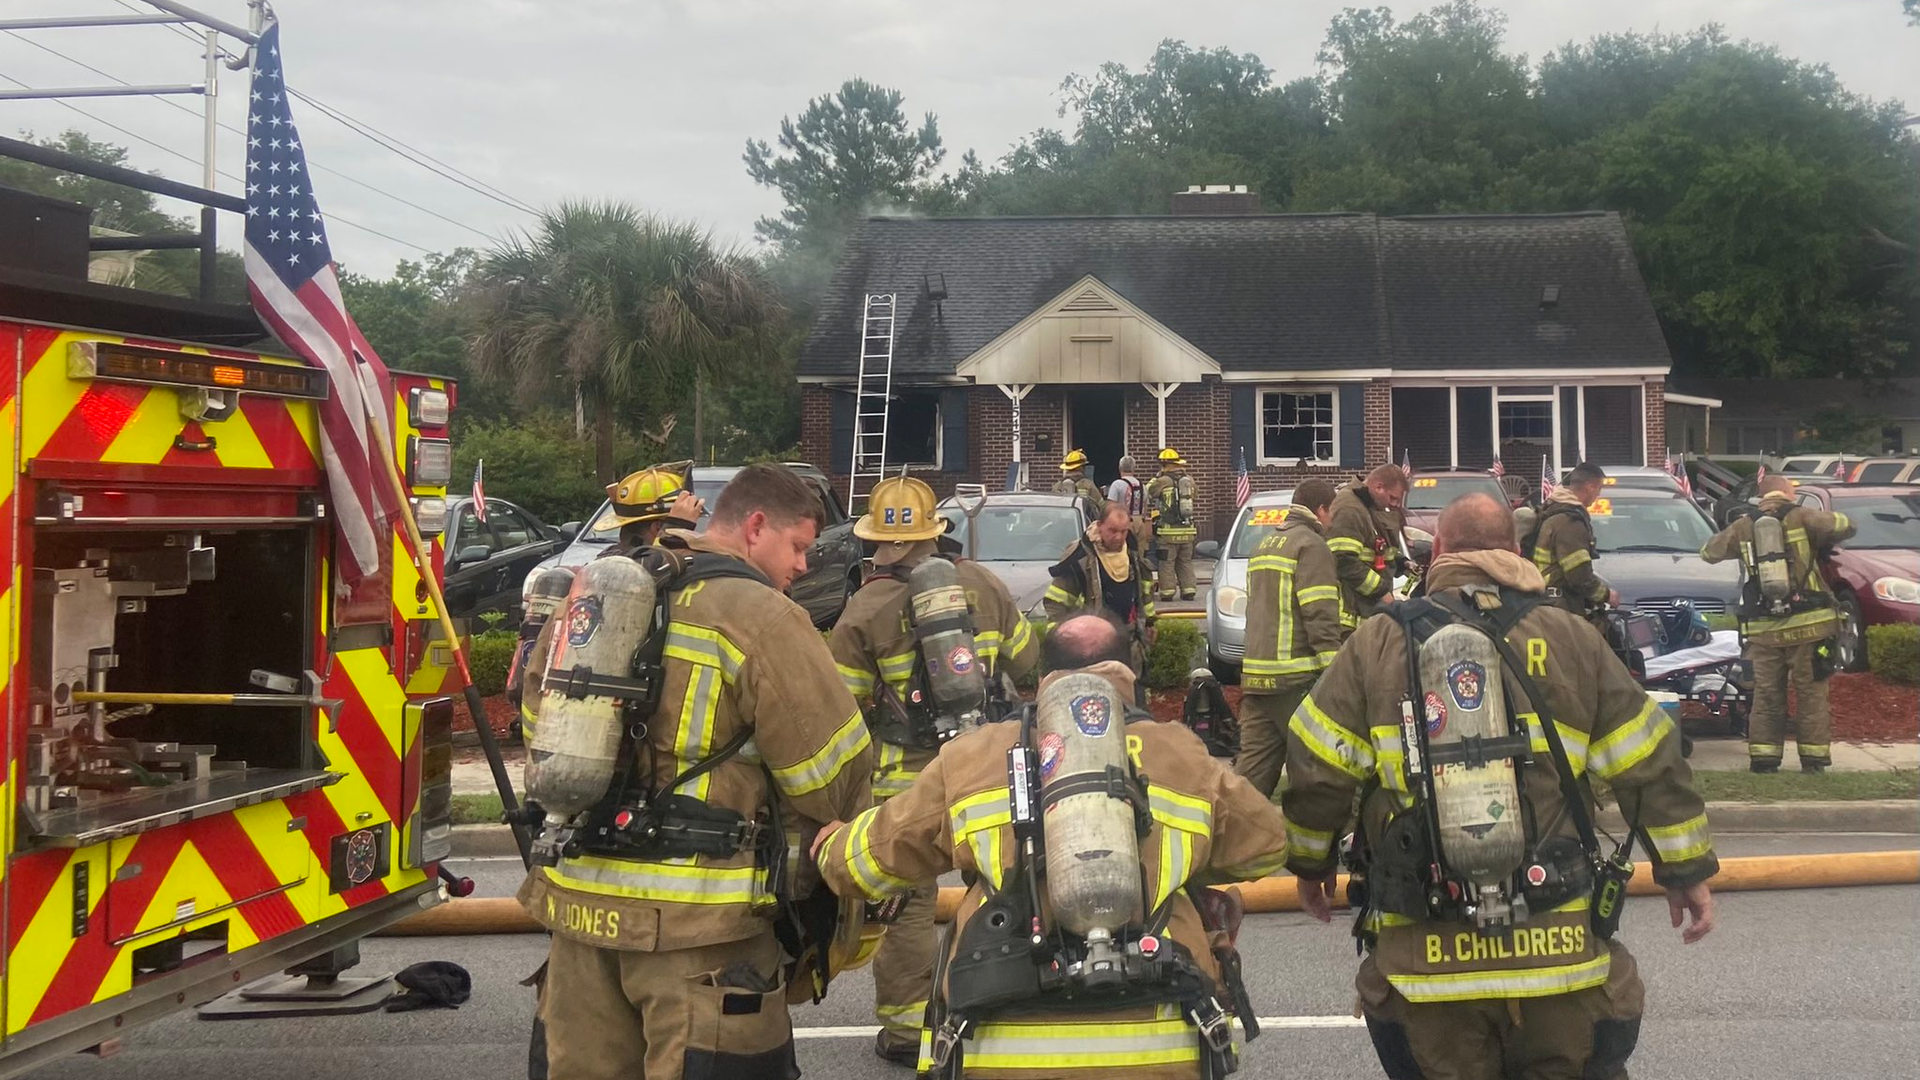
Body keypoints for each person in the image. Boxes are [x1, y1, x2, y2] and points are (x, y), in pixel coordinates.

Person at [1284, 493, 1718, 1080]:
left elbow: (1316, 768)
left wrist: (1311, 868)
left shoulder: (1374, 644)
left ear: (1436, 551)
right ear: (1516, 552)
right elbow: (1650, 761)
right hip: (1560, 959)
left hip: (1424, 968)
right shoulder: (1572, 638)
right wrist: (1684, 872)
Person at [812, 615, 1290, 1079]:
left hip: (997, 1049)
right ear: (1130, 672)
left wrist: (829, 845)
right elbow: (1267, 846)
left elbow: (867, 864)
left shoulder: (973, 756)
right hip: (1165, 1045)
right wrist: (1182, 861)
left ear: (1044, 678)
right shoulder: (1182, 755)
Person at [516, 463, 875, 1080]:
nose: (804, 567)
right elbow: (828, 775)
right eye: (798, 547)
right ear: (756, 527)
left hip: (579, 914)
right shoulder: (763, 617)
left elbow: (534, 718)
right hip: (702, 934)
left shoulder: (597, 595)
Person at [828, 475, 1040, 1067]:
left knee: (905, 904)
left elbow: (839, 710)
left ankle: (904, 1030)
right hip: (989, 774)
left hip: (906, 781)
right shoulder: (985, 583)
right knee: (1002, 888)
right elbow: (1027, 662)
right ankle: (1003, 1008)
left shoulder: (865, 607)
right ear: (934, 532)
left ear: (881, 541)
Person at [1700, 476, 1855, 773]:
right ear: (1787, 492)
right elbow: (1845, 525)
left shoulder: (1744, 524)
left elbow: (1708, 552)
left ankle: (1764, 759)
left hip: (1763, 630)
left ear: (1760, 496)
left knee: (1766, 695)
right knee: (1811, 694)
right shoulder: (1803, 516)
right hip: (1812, 627)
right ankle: (1813, 761)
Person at [1235, 478, 1347, 799]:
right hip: (1294, 681)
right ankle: (1319, 846)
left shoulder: (1264, 544)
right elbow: (1321, 618)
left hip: (1257, 680)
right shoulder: (1312, 547)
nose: (1334, 521)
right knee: (1320, 773)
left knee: (1249, 781)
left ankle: (1236, 842)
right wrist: (1334, 676)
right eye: (1333, 513)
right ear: (1321, 509)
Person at [1043, 501, 1157, 684]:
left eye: (1124, 531)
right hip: (1093, 646)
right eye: (1112, 530)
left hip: (1129, 643)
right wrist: (1062, 641)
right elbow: (1056, 603)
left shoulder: (1132, 552)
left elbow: (1144, 589)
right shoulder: (1079, 557)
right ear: (1099, 525)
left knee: (1130, 697)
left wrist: (1149, 622)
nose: (1119, 537)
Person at [1531, 462, 1619, 620]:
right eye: (1599, 489)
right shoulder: (1570, 521)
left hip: (1547, 601)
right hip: (1561, 608)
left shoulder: (1554, 510)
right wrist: (1607, 595)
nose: (1598, 495)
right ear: (1590, 487)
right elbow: (1578, 575)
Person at [1329, 464, 1411, 619]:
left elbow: (1376, 546)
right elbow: (1344, 560)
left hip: (1366, 610)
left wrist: (1402, 562)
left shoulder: (1368, 505)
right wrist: (1381, 592)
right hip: (1351, 613)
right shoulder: (1349, 509)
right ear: (1379, 487)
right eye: (1393, 498)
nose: (1395, 504)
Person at [1145, 447, 1201, 601]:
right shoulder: (1189, 480)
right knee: (1185, 562)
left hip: (1168, 532)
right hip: (1187, 531)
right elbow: (1195, 495)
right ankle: (1189, 590)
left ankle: (1168, 592)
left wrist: (1158, 475)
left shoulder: (1163, 480)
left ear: (1163, 464)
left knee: (1167, 563)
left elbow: (1147, 491)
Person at [1107, 454, 1152, 552]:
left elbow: (1111, 506)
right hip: (1139, 522)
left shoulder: (1117, 484)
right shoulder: (1142, 486)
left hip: (1123, 522)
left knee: (1122, 551)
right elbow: (1145, 507)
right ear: (1134, 469)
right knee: (1140, 552)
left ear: (1120, 469)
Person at [1052, 448, 1107, 512]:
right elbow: (1102, 507)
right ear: (1081, 467)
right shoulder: (1088, 485)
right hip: (1082, 521)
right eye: (1084, 466)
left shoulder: (1058, 485)